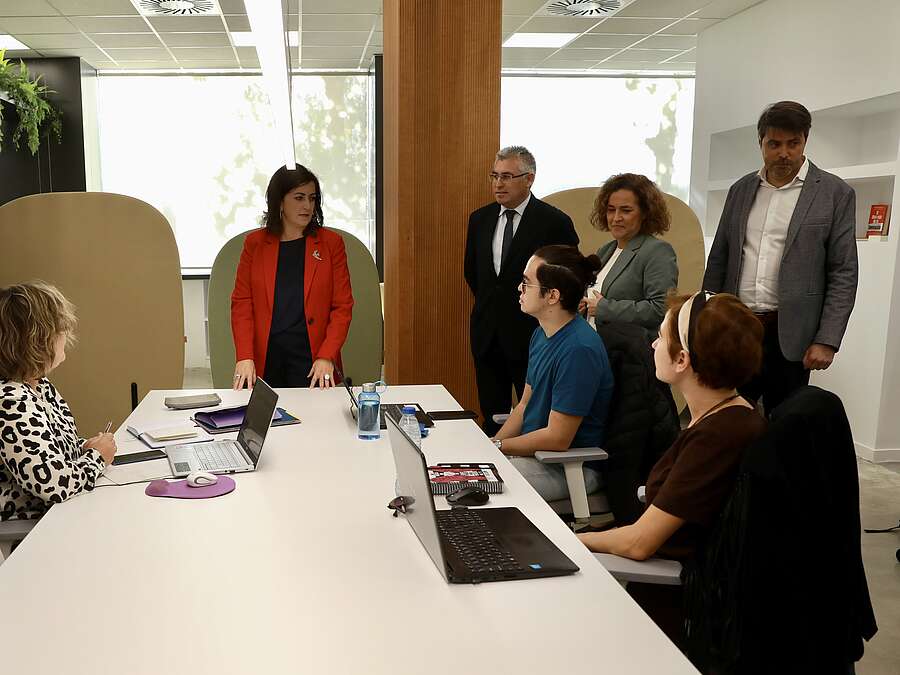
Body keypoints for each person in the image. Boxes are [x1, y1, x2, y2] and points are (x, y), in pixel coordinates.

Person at [578, 291, 766, 642]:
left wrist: (570, 540)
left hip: (677, 611)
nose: (652, 345)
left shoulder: (718, 436)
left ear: (682, 359)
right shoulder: (728, 415)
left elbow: (639, 543)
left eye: (661, 336)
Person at [703, 100, 858, 414]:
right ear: (760, 142)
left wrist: (827, 339)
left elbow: (843, 272)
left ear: (805, 142)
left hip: (791, 335)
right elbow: (719, 258)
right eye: (774, 144)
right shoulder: (740, 190)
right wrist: (707, 320)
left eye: (793, 143)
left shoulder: (834, 193)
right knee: (727, 419)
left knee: (784, 429)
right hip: (737, 327)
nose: (784, 153)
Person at [464, 146, 579, 436]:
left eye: (507, 176)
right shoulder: (480, 219)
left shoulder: (554, 221)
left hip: (532, 333)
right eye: (494, 176)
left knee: (533, 415)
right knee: (491, 416)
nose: (498, 184)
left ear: (529, 179)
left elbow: (568, 277)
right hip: (487, 332)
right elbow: (473, 273)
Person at [492, 245, 614, 501]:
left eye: (527, 283)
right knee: (466, 471)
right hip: (536, 458)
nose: (519, 289)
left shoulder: (578, 349)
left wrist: (498, 447)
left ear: (552, 296)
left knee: (480, 485)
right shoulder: (541, 334)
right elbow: (524, 405)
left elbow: (558, 438)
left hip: (568, 467)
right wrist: (490, 448)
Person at [0, 282, 117, 522]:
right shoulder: (10, 402)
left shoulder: (40, 386)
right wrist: (97, 457)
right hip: (35, 522)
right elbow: (54, 485)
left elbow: (57, 454)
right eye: (61, 329)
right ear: (38, 340)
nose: (67, 335)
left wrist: (87, 448)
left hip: (62, 512)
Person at [232, 164, 354, 390]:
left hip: (314, 360)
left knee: (318, 422)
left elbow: (342, 307)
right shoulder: (254, 244)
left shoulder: (331, 244)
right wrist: (244, 356)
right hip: (266, 359)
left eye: (312, 198)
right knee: (266, 424)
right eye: (299, 198)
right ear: (279, 201)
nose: (307, 206)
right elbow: (242, 304)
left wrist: (327, 356)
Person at [579, 173, 678, 331]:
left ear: (645, 213)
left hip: (627, 351)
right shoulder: (605, 250)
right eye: (611, 210)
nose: (616, 218)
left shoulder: (658, 251)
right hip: (595, 345)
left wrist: (605, 308)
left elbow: (660, 309)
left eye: (626, 210)